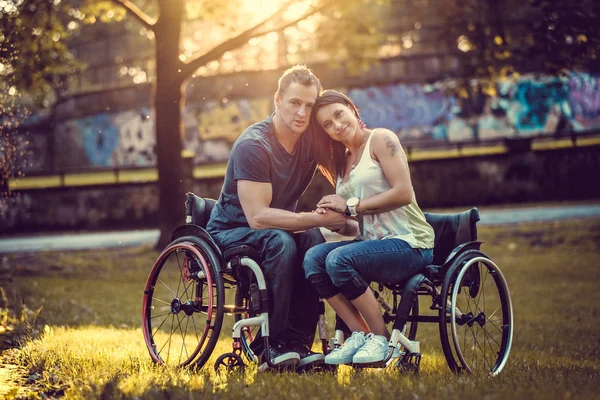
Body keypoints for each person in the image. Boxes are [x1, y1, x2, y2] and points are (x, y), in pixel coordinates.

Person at [206, 66, 347, 371]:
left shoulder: (309, 141)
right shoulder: (253, 145)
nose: (301, 113)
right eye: (295, 103)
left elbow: (348, 162)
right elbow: (257, 218)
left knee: (313, 241)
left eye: (309, 106)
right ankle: (267, 345)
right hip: (231, 232)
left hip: (273, 231)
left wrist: (351, 203)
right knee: (282, 240)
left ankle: (297, 342)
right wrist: (317, 218)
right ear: (277, 99)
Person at [302, 90, 435, 365]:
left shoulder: (382, 139)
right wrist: (337, 221)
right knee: (314, 258)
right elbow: (357, 226)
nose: (336, 126)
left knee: (339, 259)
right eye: (327, 124)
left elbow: (403, 193)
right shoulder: (342, 162)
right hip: (372, 246)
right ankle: (359, 333)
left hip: (410, 243)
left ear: (352, 108)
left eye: (339, 114)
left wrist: (349, 205)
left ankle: (381, 339)